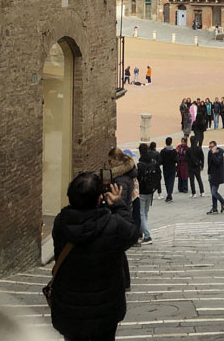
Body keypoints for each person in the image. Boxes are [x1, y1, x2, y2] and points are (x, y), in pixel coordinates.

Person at [49, 173, 139, 341]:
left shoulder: (61, 222)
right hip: (105, 310)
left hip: (70, 308)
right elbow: (133, 234)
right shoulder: (114, 224)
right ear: (99, 198)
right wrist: (118, 205)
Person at [136, 143, 157, 243]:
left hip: (142, 191)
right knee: (145, 213)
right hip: (150, 191)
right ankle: (142, 233)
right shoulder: (153, 162)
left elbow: (137, 178)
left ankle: (147, 236)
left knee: (141, 213)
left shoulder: (140, 165)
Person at [206, 140, 224, 214]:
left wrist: (214, 154)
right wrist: (208, 173)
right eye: (210, 147)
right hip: (211, 174)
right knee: (212, 192)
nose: (211, 148)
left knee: (214, 192)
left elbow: (217, 162)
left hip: (217, 175)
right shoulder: (210, 152)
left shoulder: (219, 153)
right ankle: (214, 207)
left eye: (212, 147)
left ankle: (223, 201)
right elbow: (209, 163)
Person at [159, 137, 177, 202]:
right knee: (171, 182)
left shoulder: (163, 151)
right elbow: (176, 160)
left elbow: (160, 161)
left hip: (165, 168)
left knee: (166, 182)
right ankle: (169, 195)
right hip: (172, 168)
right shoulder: (174, 151)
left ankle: (169, 194)